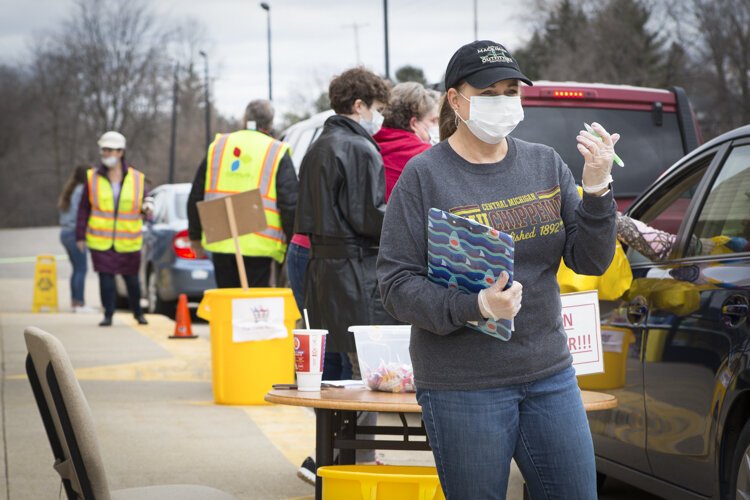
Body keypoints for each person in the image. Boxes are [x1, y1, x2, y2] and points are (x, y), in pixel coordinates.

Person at [377, 40, 619, 499]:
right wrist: (475, 305)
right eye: (489, 92)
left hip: (549, 373)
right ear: (455, 98)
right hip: (463, 386)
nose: (503, 101)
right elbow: (395, 284)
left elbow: (590, 259)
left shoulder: (544, 162)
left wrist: (597, 189)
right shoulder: (423, 176)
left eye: (511, 90)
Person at [294, 66, 391, 481]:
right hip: (354, 271)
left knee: (330, 375)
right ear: (359, 105)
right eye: (377, 108)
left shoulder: (318, 146)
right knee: (362, 374)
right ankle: (352, 464)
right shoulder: (360, 149)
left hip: (321, 269)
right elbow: (370, 217)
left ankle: (325, 459)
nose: (379, 117)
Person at [187, 99, 297, 288]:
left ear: (245, 118)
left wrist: (195, 237)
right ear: (270, 124)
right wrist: (293, 244)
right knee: (254, 309)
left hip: (222, 240)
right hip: (261, 244)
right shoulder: (276, 151)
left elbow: (196, 196)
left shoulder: (219, 146)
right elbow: (290, 205)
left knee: (229, 303)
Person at [76, 131, 153, 327]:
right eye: (105, 150)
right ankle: (108, 314)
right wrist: (80, 235)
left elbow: (147, 202)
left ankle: (138, 313)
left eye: (111, 150)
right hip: (101, 239)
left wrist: (147, 208)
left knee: (132, 280)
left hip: (129, 239)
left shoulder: (137, 178)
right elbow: (84, 208)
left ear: (121, 152)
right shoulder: (92, 177)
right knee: (106, 278)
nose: (107, 154)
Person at [372, 82, 440, 200]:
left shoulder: (370, 146)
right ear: (414, 123)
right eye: (433, 121)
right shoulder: (427, 156)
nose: (436, 126)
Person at [58, 165, 96, 313]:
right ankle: (80, 304)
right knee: (81, 268)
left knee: (76, 269)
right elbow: (80, 213)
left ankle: (75, 303)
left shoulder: (71, 189)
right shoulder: (81, 191)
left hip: (65, 232)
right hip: (75, 233)